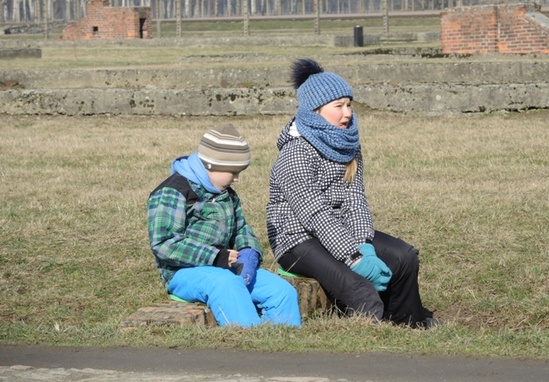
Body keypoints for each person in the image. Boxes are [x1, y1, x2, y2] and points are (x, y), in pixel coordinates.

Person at [266, 59, 433, 329]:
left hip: (337, 231)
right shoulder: (295, 152)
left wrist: (365, 245)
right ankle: (370, 339)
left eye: (349, 104)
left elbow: (355, 199)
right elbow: (315, 214)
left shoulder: (348, 145)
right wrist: (354, 258)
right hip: (297, 240)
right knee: (362, 290)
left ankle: (408, 324)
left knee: (404, 257)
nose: (347, 113)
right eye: (338, 106)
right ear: (315, 110)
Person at [147, 123, 301, 328]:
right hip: (183, 272)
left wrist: (249, 251)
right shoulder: (172, 192)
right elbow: (164, 244)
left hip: (225, 267)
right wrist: (214, 256)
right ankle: (250, 344)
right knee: (226, 285)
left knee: (282, 292)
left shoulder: (226, 193)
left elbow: (241, 228)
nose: (236, 178)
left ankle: (283, 347)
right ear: (211, 164)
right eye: (233, 171)